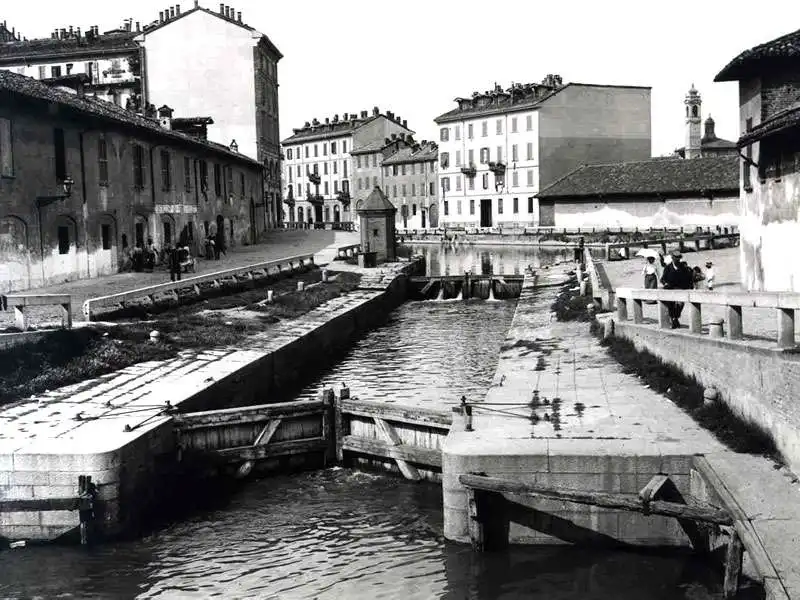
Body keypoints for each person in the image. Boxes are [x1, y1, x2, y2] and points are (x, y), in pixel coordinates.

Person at [660, 250, 687, 328]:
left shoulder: (682, 267)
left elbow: (687, 277)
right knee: (671, 305)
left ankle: (676, 317)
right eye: (676, 258)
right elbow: (662, 279)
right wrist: (665, 283)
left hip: (680, 289)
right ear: (672, 258)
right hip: (670, 289)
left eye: (678, 258)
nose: (677, 260)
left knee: (680, 304)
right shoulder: (668, 267)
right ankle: (674, 319)